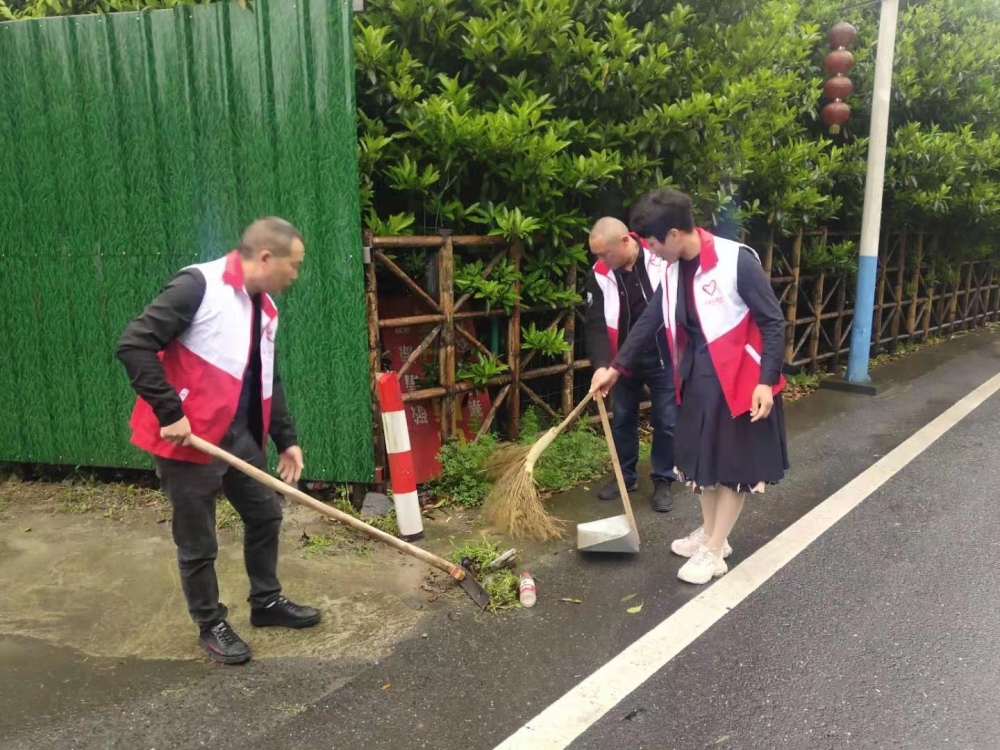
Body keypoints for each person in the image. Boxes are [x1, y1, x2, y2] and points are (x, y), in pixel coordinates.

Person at [116, 217, 321, 664]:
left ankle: (266, 603)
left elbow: (268, 373)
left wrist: (286, 438)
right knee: (198, 541)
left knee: (266, 512)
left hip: (232, 435)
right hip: (186, 441)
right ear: (266, 257)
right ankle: (210, 623)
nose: (296, 274)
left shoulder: (264, 307)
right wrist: (171, 412)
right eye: (295, 264)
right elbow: (133, 345)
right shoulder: (199, 286)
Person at [592, 189, 789, 585]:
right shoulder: (672, 267)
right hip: (696, 374)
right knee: (700, 459)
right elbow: (650, 320)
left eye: (652, 243)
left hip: (738, 379)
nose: (649, 250)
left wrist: (767, 382)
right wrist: (616, 366)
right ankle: (711, 531)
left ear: (676, 234)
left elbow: (773, 321)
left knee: (732, 464)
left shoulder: (736, 261)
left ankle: (715, 550)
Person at [585, 217, 678, 512]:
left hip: (662, 353)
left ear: (626, 241)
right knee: (623, 417)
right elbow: (596, 323)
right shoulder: (600, 273)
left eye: (604, 253)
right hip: (620, 359)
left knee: (667, 420)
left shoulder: (660, 260)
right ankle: (625, 477)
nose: (600, 260)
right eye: (596, 254)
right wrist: (601, 364)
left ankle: (663, 479)